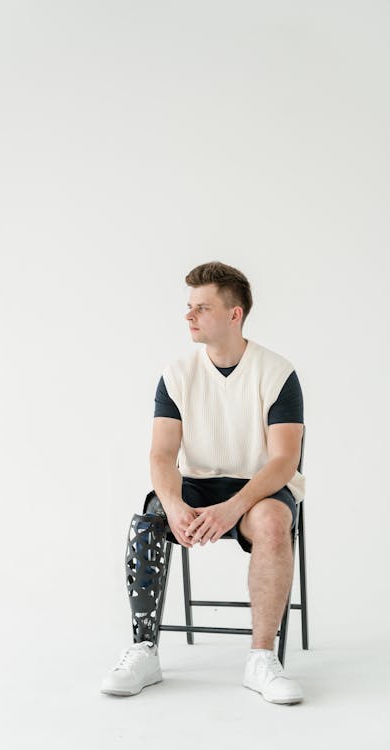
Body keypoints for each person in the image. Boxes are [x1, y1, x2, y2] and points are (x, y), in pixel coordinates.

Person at [100, 261, 306, 705]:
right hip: (194, 485)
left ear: (234, 314)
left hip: (258, 487)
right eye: (188, 307)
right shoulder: (176, 374)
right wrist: (173, 505)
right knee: (148, 521)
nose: (189, 316)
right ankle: (144, 649)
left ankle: (261, 658)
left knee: (272, 522)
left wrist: (234, 507)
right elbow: (161, 454)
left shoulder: (277, 372)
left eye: (201, 307)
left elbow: (285, 459)